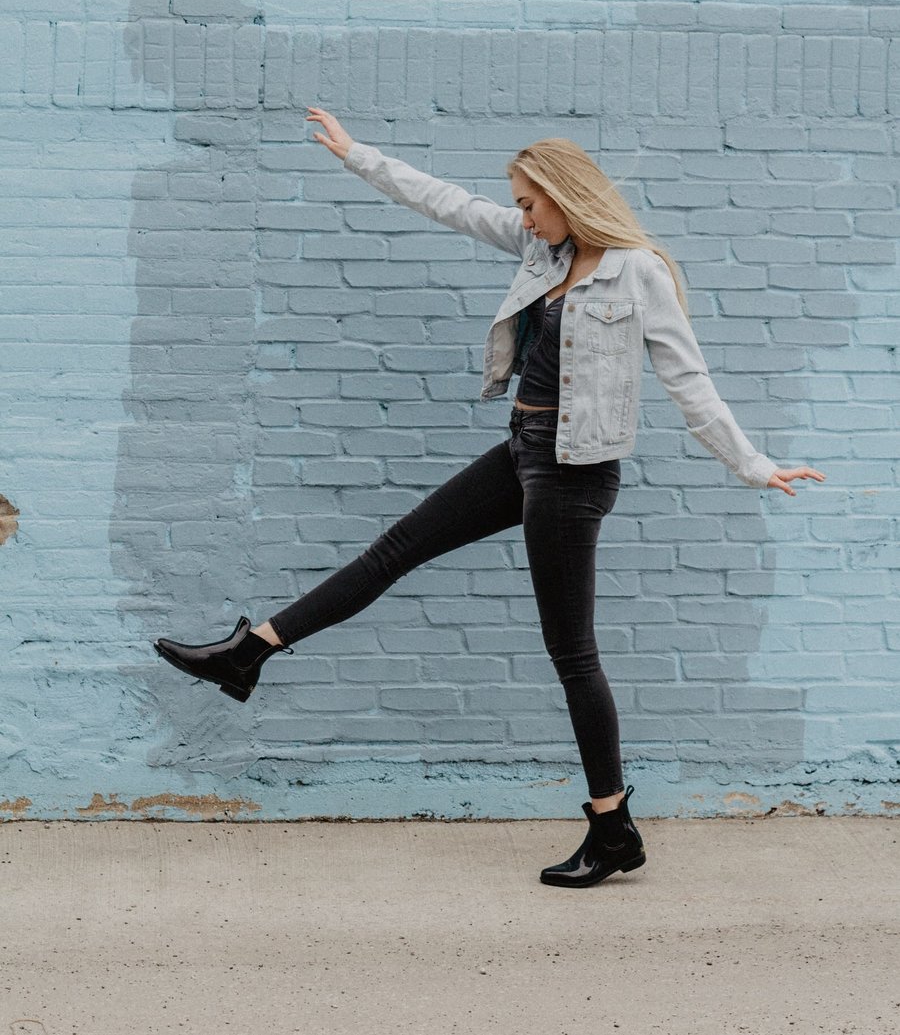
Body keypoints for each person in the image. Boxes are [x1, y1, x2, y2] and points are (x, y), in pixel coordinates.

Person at [155, 106, 826, 889]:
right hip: (522, 449)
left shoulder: (635, 270)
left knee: (572, 654)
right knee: (393, 549)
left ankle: (612, 828)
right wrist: (355, 155)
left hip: (574, 473)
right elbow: (443, 200)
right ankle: (250, 651)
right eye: (518, 204)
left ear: (566, 196)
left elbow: (689, 381)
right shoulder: (543, 251)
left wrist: (753, 464)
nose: (521, 215)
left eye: (530, 202)